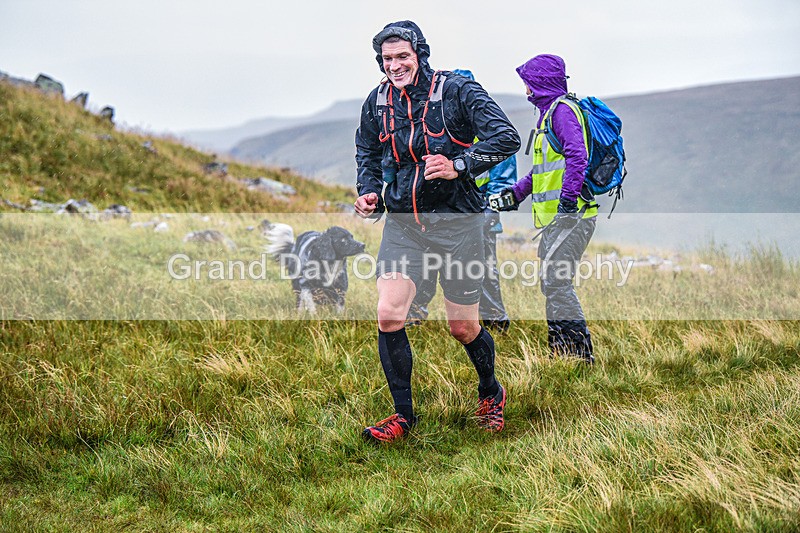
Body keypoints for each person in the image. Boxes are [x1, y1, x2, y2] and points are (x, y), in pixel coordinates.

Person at [354, 21, 521, 443]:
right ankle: (403, 417)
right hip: (404, 224)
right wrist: (369, 191)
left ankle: (490, 392)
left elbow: (507, 137)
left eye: (402, 57)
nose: (394, 66)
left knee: (462, 327)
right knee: (389, 314)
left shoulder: (457, 91)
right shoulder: (377, 102)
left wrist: (459, 164)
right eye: (387, 59)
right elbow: (368, 152)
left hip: (459, 225)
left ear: (420, 55)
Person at [500, 54, 597, 364]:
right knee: (552, 282)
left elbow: (577, 158)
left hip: (572, 216)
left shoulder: (563, 113)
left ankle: (580, 356)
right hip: (557, 219)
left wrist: (568, 204)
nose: (525, 90)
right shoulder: (547, 116)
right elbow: (543, 171)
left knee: (557, 282)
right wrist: (515, 194)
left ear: (539, 83)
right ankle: (561, 352)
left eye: (528, 83)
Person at [406, 70, 518, 333]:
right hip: (446, 216)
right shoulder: (444, 129)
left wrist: (488, 213)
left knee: (485, 271)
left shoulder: (489, 132)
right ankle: (413, 316)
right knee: (429, 264)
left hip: (480, 217)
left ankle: (494, 322)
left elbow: (504, 180)